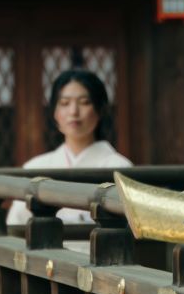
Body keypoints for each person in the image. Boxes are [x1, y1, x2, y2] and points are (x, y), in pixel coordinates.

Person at [7, 70, 129, 228]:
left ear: (100, 110)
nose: (73, 112)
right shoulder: (35, 167)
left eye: (84, 102)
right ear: (55, 113)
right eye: (65, 103)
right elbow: (16, 224)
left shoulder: (120, 167)